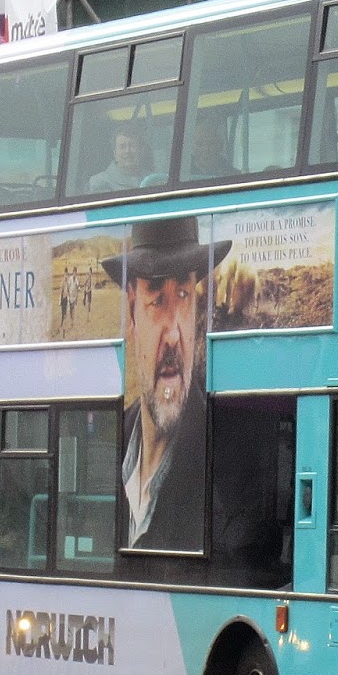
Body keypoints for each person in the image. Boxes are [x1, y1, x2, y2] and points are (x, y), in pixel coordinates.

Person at [101, 215, 230, 551]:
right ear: (132, 312)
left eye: (184, 295)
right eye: (157, 301)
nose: (173, 334)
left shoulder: (220, 453)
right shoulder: (112, 440)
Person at [88, 128, 154, 193]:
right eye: (122, 147)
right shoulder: (99, 182)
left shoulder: (154, 180)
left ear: (141, 151)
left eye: (132, 146)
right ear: (115, 154)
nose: (127, 151)